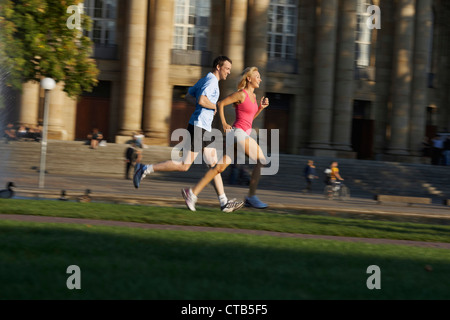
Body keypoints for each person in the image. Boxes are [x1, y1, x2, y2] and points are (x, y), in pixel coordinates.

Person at [133, 56, 244, 213]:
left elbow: (188, 96)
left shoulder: (206, 79)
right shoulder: (211, 81)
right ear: (218, 67)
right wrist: (214, 107)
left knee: (214, 165)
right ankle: (144, 168)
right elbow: (201, 99)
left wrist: (205, 107)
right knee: (184, 166)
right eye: (227, 68)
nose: (229, 72)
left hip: (203, 126)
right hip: (199, 127)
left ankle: (223, 201)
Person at [181, 66, 270, 211]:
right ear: (249, 78)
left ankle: (191, 193)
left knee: (218, 169)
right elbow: (221, 103)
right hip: (237, 133)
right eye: (257, 76)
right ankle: (251, 197)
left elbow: (249, 120)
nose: (260, 79)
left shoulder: (253, 97)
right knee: (262, 159)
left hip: (240, 135)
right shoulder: (241, 94)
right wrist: (223, 123)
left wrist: (260, 108)